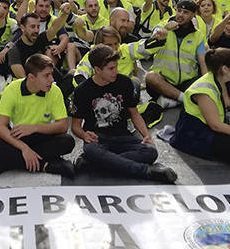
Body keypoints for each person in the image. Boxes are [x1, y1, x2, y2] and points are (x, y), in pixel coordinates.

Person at [71, 45, 176, 182]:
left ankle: (95, 164)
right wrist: (84, 135)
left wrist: (146, 136)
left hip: (123, 137)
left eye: (116, 67)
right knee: (92, 150)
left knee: (150, 151)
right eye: (111, 69)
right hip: (98, 139)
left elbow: (135, 114)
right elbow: (75, 126)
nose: (116, 71)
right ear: (97, 70)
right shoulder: (82, 91)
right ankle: (146, 171)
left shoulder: (125, 83)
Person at [0, 54, 76, 177]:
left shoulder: (55, 91)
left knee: (68, 141)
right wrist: (24, 148)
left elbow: (63, 126)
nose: (51, 79)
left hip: (42, 135)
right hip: (18, 137)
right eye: (46, 76)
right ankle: (46, 165)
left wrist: (33, 127)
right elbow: (0, 127)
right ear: (31, 77)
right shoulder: (12, 89)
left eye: (51, 74)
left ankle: (8, 162)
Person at [145, 0, 207, 107]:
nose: (181, 15)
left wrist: (208, 83)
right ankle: (183, 99)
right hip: (164, 81)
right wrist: (165, 29)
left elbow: (203, 63)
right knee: (150, 77)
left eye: (185, 12)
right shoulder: (163, 25)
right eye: (179, 11)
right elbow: (151, 41)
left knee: (204, 92)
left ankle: (172, 99)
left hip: (187, 82)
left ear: (193, 15)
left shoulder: (198, 35)